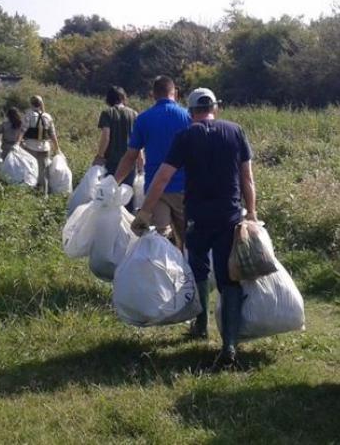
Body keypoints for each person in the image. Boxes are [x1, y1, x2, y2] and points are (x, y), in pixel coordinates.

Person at [131, 87, 257, 368]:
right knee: (230, 277)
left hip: (197, 217)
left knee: (198, 269)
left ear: (190, 113)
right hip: (230, 216)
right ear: (216, 107)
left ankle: (200, 326)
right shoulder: (236, 131)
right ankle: (230, 345)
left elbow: (162, 178)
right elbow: (247, 178)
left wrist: (146, 212)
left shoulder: (186, 136)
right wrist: (252, 212)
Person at [114, 76, 190, 248]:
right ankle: (189, 272)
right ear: (175, 93)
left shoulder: (143, 119)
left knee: (159, 241)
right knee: (188, 241)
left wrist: (114, 182)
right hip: (184, 188)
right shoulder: (188, 117)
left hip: (156, 190)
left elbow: (130, 156)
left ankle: (163, 273)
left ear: (153, 95)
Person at [93, 86, 143, 212]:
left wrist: (100, 156)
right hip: (130, 162)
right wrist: (140, 162)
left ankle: (109, 226)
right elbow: (138, 141)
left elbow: (106, 136)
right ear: (123, 98)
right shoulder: (134, 114)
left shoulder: (108, 113)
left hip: (112, 161)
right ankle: (128, 226)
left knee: (109, 194)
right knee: (127, 195)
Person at [15, 95, 61, 194]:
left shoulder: (29, 115)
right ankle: (44, 193)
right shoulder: (48, 117)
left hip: (31, 147)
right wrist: (57, 148)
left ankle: (31, 191)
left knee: (30, 169)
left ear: (31, 104)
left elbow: (23, 131)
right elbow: (53, 134)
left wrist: (17, 143)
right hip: (45, 148)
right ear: (41, 104)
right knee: (44, 172)